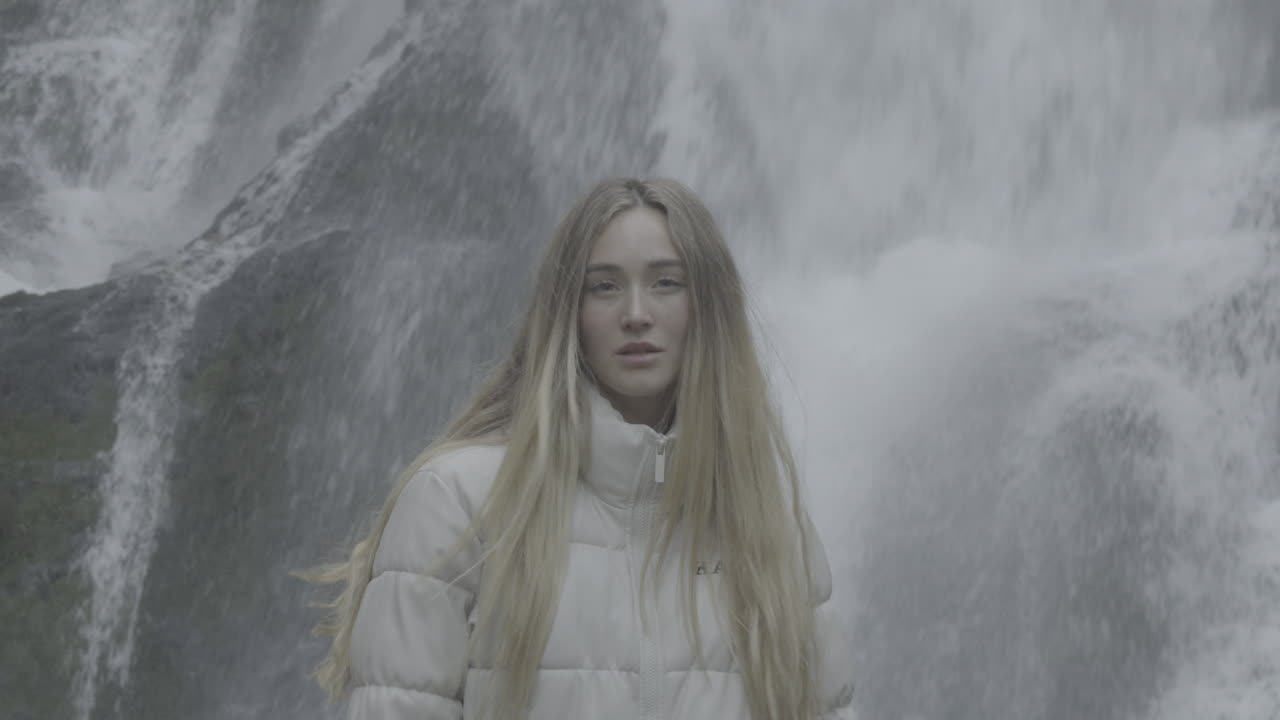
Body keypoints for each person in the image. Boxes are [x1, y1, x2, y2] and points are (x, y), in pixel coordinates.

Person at [305, 178, 856, 719]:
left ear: (709, 307)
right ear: (567, 310)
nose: (636, 312)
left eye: (667, 283)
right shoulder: (459, 500)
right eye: (605, 286)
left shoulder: (765, 518)